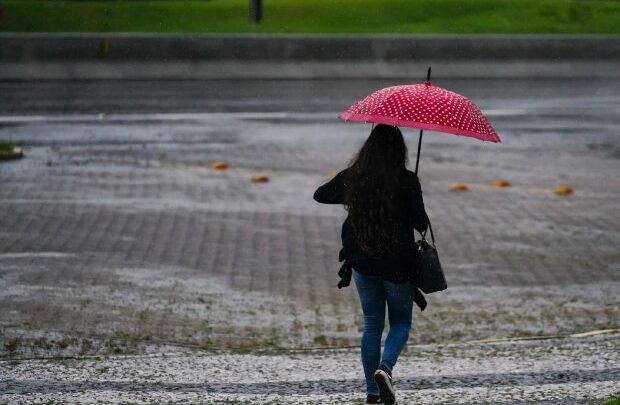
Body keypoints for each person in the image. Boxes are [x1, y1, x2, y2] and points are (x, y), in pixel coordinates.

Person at [313, 124, 429, 405]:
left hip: (363, 263)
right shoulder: (406, 180)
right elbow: (420, 223)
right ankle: (385, 369)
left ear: (368, 149)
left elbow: (321, 194)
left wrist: (350, 190)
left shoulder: (354, 178)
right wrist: (411, 189)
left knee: (372, 324)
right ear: (399, 150)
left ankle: (372, 393)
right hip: (398, 266)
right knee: (400, 322)